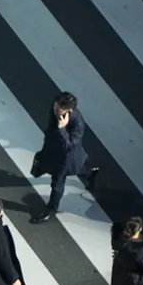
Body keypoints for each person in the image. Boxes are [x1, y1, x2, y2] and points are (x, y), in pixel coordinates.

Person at [31, 92, 99, 224]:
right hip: (52, 150)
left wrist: (62, 129)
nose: (55, 108)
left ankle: (51, 208)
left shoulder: (78, 124)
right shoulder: (56, 109)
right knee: (80, 170)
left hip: (66, 159)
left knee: (57, 183)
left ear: (70, 110)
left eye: (59, 108)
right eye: (55, 105)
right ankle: (91, 174)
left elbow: (69, 146)